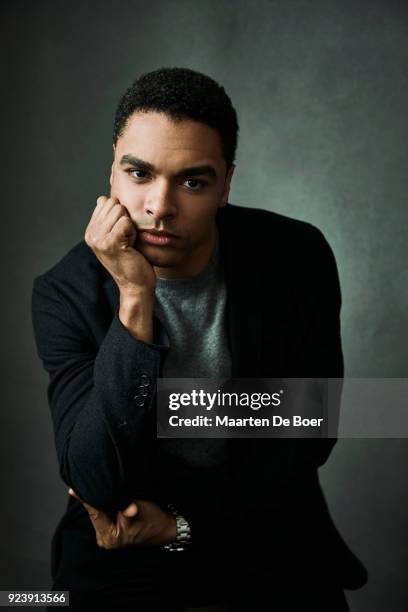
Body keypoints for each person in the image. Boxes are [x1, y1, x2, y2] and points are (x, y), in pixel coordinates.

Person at [31, 67, 367, 611]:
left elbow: (312, 426)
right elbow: (97, 477)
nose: (160, 205)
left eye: (192, 181)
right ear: (112, 170)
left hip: (263, 513)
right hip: (126, 532)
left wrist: (187, 524)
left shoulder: (295, 256)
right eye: (138, 173)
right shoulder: (63, 293)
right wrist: (134, 299)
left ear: (226, 184)